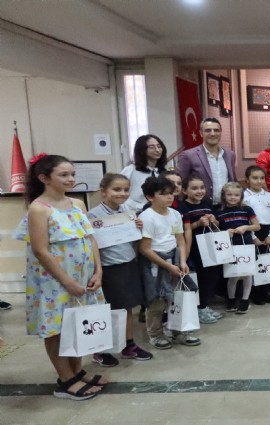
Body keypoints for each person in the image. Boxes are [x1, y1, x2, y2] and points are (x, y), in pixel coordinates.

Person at [15, 153, 107, 400]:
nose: (70, 179)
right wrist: (67, 281)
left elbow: (90, 238)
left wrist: (98, 270)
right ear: (44, 178)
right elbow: (41, 250)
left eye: (72, 174)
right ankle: (65, 380)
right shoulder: (39, 209)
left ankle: (76, 371)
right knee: (57, 328)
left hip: (83, 276)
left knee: (78, 323)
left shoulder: (77, 204)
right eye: (63, 175)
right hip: (55, 280)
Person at [87, 174, 152, 367]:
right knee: (107, 310)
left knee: (127, 307)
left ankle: (128, 345)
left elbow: (134, 240)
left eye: (126, 190)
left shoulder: (128, 212)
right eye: (116, 189)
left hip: (128, 264)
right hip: (107, 268)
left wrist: (138, 228)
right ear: (103, 191)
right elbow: (91, 244)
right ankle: (100, 350)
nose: (122, 193)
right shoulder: (93, 215)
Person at [138, 177, 199, 350]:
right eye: (163, 194)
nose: (169, 197)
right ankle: (155, 334)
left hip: (174, 258)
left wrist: (182, 261)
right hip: (155, 262)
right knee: (157, 300)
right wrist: (167, 266)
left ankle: (178, 330)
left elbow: (180, 240)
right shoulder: (147, 217)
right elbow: (145, 249)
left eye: (171, 193)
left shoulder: (175, 214)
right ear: (150, 197)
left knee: (177, 297)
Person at [179, 175, 222, 324]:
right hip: (195, 247)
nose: (199, 191)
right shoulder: (183, 206)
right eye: (194, 188)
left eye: (202, 187)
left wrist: (213, 220)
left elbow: (217, 224)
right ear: (185, 191)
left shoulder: (206, 202)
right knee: (201, 277)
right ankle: (199, 308)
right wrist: (197, 224)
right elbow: (182, 229)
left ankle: (205, 305)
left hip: (209, 244)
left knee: (212, 276)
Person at [216, 182, 261, 314]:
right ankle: (231, 300)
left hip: (246, 243)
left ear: (241, 196)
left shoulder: (247, 209)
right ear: (224, 196)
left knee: (247, 273)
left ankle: (245, 300)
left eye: (236, 195)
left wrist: (246, 227)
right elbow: (216, 230)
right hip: (230, 245)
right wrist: (225, 233)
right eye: (229, 195)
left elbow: (257, 226)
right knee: (233, 274)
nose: (233, 197)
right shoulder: (219, 211)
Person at [176, 118, 237, 207]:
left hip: (226, 206)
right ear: (201, 133)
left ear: (220, 133)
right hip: (200, 207)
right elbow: (180, 183)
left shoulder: (230, 155)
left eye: (216, 130)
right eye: (208, 130)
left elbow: (233, 180)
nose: (212, 134)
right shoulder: (188, 155)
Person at [242, 166, 270, 305]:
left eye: (262, 178)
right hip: (252, 231)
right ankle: (255, 293)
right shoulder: (244, 197)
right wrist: (253, 237)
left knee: (267, 262)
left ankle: (265, 291)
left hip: (268, 231)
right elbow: (245, 219)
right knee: (255, 263)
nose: (259, 181)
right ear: (247, 180)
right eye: (255, 178)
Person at [121, 134, 168, 213]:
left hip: (158, 212)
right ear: (142, 150)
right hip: (134, 212)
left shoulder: (162, 172)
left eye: (159, 146)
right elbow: (120, 194)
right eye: (152, 147)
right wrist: (141, 207)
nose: (157, 150)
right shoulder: (131, 170)